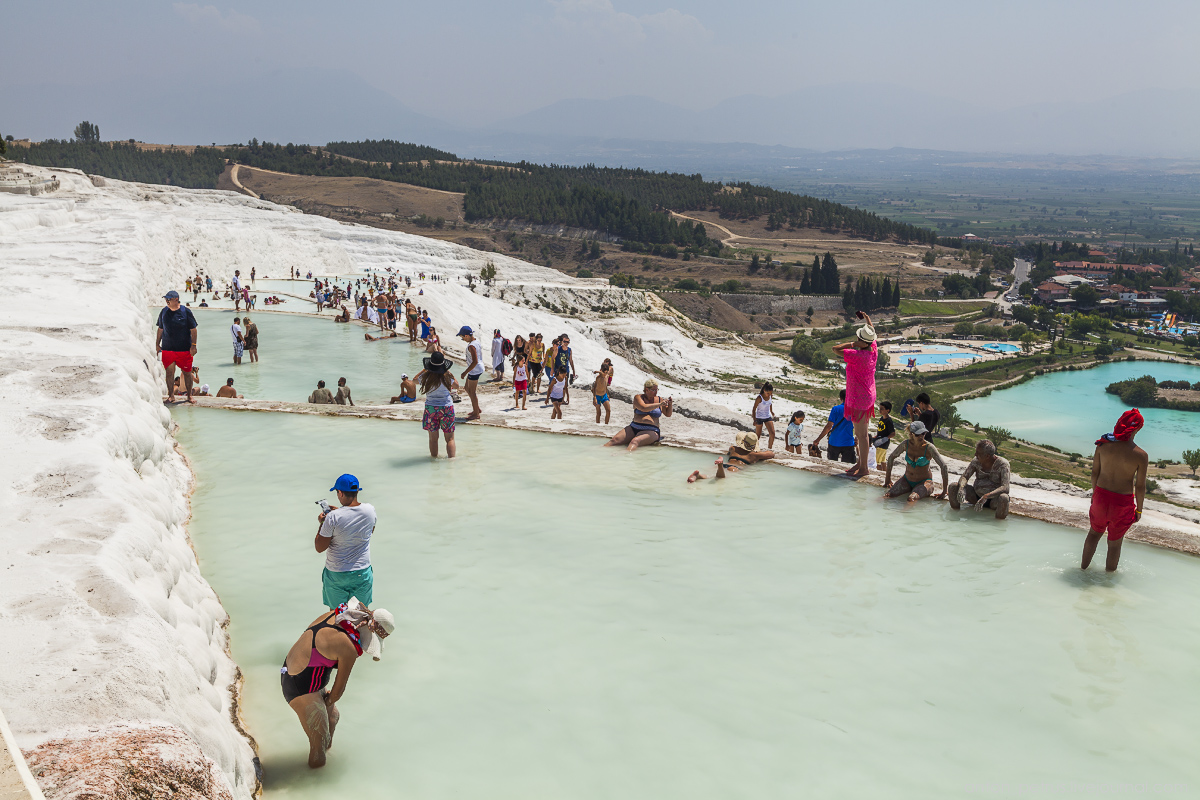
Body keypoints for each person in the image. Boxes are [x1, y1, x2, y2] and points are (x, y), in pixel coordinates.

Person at [281, 600, 394, 768]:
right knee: (318, 746)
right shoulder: (347, 646)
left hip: (295, 670)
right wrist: (327, 701)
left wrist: (327, 705)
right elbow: (338, 690)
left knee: (333, 717)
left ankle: (324, 758)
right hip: (299, 685)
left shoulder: (338, 615)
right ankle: (315, 776)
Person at [1082, 409, 1148, 572]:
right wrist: (1139, 510)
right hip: (1122, 504)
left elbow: (1094, 474)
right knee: (1115, 544)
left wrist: (1094, 495)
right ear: (1138, 429)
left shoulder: (1102, 445)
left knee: (1093, 535)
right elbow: (1140, 486)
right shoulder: (1141, 455)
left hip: (1100, 497)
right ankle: (1108, 586)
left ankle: (1082, 570)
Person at [315, 474, 377, 610]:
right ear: (357, 491)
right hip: (362, 572)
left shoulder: (332, 517)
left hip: (337, 574)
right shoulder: (370, 510)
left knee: (336, 618)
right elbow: (367, 533)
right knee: (361, 616)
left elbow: (319, 547)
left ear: (340, 493)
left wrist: (322, 523)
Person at [832, 312, 878, 478]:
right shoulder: (873, 351)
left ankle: (864, 467)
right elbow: (872, 333)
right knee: (862, 433)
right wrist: (867, 319)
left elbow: (835, 349)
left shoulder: (857, 355)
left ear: (861, 341)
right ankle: (861, 462)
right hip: (868, 395)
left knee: (861, 435)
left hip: (859, 399)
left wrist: (853, 343)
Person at [883, 421, 949, 502]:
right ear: (912, 434)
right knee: (888, 495)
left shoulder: (929, 448)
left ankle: (904, 514)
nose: (921, 436)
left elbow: (943, 466)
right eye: (918, 434)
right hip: (907, 480)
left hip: (924, 483)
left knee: (911, 499)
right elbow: (891, 458)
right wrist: (887, 480)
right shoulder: (906, 444)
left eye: (923, 433)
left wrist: (944, 490)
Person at [155, 290, 198, 404]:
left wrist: (193, 346)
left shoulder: (185, 311)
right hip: (168, 348)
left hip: (184, 349)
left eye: (169, 299)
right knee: (169, 372)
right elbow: (160, 329)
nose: (167, 301)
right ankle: (171, 396)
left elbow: (193, 330)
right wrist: (157, 344)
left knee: (187, 372)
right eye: (166, 299)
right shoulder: (164, 311)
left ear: (176, 299)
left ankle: (189, 396)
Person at [606, 378, 672, 452]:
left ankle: (623, 458)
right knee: (614, 441)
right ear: (647, 389)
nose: (656, 392)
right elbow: (644, 408)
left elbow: (668, 414)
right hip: (634, 427)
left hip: (652, 430)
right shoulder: (638, 397)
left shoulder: (659, 399)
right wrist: (659, 404)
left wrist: (670, 404)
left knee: (635, 441)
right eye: (654, 390)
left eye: (657, 390)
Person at [951, 439, 1011, 520]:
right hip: (976, 497)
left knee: (1004, 498)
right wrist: (961, 487)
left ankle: (998, 525)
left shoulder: (1003, 464)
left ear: (987, 456)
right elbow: (965, 476)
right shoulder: (976, 461)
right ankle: (954, 517)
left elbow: (1005, 487)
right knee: (953, 487)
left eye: (978, 453)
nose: (975, 454)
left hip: (993, 501)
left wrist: (986, 496)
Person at [688, 431, 775, 482]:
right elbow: (771, 454)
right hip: (735, 467)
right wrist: (758, 452)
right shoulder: (754, 455)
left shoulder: (733, 448)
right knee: (720, 479)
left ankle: (699, 476)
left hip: (727, 463)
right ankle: (720, 466)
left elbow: (729, 452)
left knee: (710, 475)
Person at [421, 351, 458, 458]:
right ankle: (451, 464)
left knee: (433, 439)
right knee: (450, 439)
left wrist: (424, 369)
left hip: (431, 408)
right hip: (446, 408)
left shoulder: (426, 377)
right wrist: (448, 371)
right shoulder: (446, 376)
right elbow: (457, 386)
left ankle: (434, 462)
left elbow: (414, 380)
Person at [811, 390, 856, 463]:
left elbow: (829, 426)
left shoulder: (835, 409)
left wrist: (818, 440)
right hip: (848, 442)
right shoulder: (854, 410)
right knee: (848, 467)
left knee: (832, 465)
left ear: (841, 398)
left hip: (834, 441)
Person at [457, 326, 484, 420]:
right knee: (466, 388)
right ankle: (476, 408)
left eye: (463, 337)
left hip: (475, 369)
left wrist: (465, 372)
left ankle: (476, 414)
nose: (463, 339)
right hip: (477, 368)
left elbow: (475, 361)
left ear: (467, 336)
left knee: (472, 392)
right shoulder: (476, 341)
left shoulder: (471, 346)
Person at [752, 382, 777, 450]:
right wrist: (754, 420)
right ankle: (754, 448)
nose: (769, 395)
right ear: (764, 390)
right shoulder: (759, 398)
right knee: (758, 436)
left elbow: (770, 403)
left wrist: (771, 411)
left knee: (772, 433)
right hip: (759, 417)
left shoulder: (770, 396)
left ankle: (769, 449)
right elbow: (754, 409)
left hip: (767, 416)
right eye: (768, 393)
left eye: (771, 393)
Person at [873, 401, 896, 467]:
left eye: (882, 409)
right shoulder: (881, 418)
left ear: (887, 410)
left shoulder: (888, 421)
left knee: (877, 462)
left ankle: (878, 474)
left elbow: (893, 433)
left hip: (883, 443)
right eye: (880, 408)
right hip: (880, 441)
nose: (880, 410)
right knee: (883, 461)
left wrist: (885, 439)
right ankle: (885, 474)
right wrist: (876, 436)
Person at [553, 334, 575, 402]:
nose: (566, 343)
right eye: (565, 341)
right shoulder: (558, 349)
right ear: (562, 341)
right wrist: (552, 369)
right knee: (557, 385)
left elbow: (570, 360)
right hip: (558, 369)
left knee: (565, 386)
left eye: (567, 342)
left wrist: (573, 371)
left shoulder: (569, 350)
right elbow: (552, 359)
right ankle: (556, 398)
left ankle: (562, 400)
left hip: (566, 370)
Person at [592, 359, 613, 424]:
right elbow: (594, 388)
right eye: (604, 372)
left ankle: (606, 424)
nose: (605, 374)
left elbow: (605, 386)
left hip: (604, 395)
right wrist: (594, 398)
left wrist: (608, 395)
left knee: (608, 410)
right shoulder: (598, 377)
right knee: (599, 413)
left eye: (606, 373)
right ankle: (597, 425)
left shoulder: (606, 376)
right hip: (597, 396)